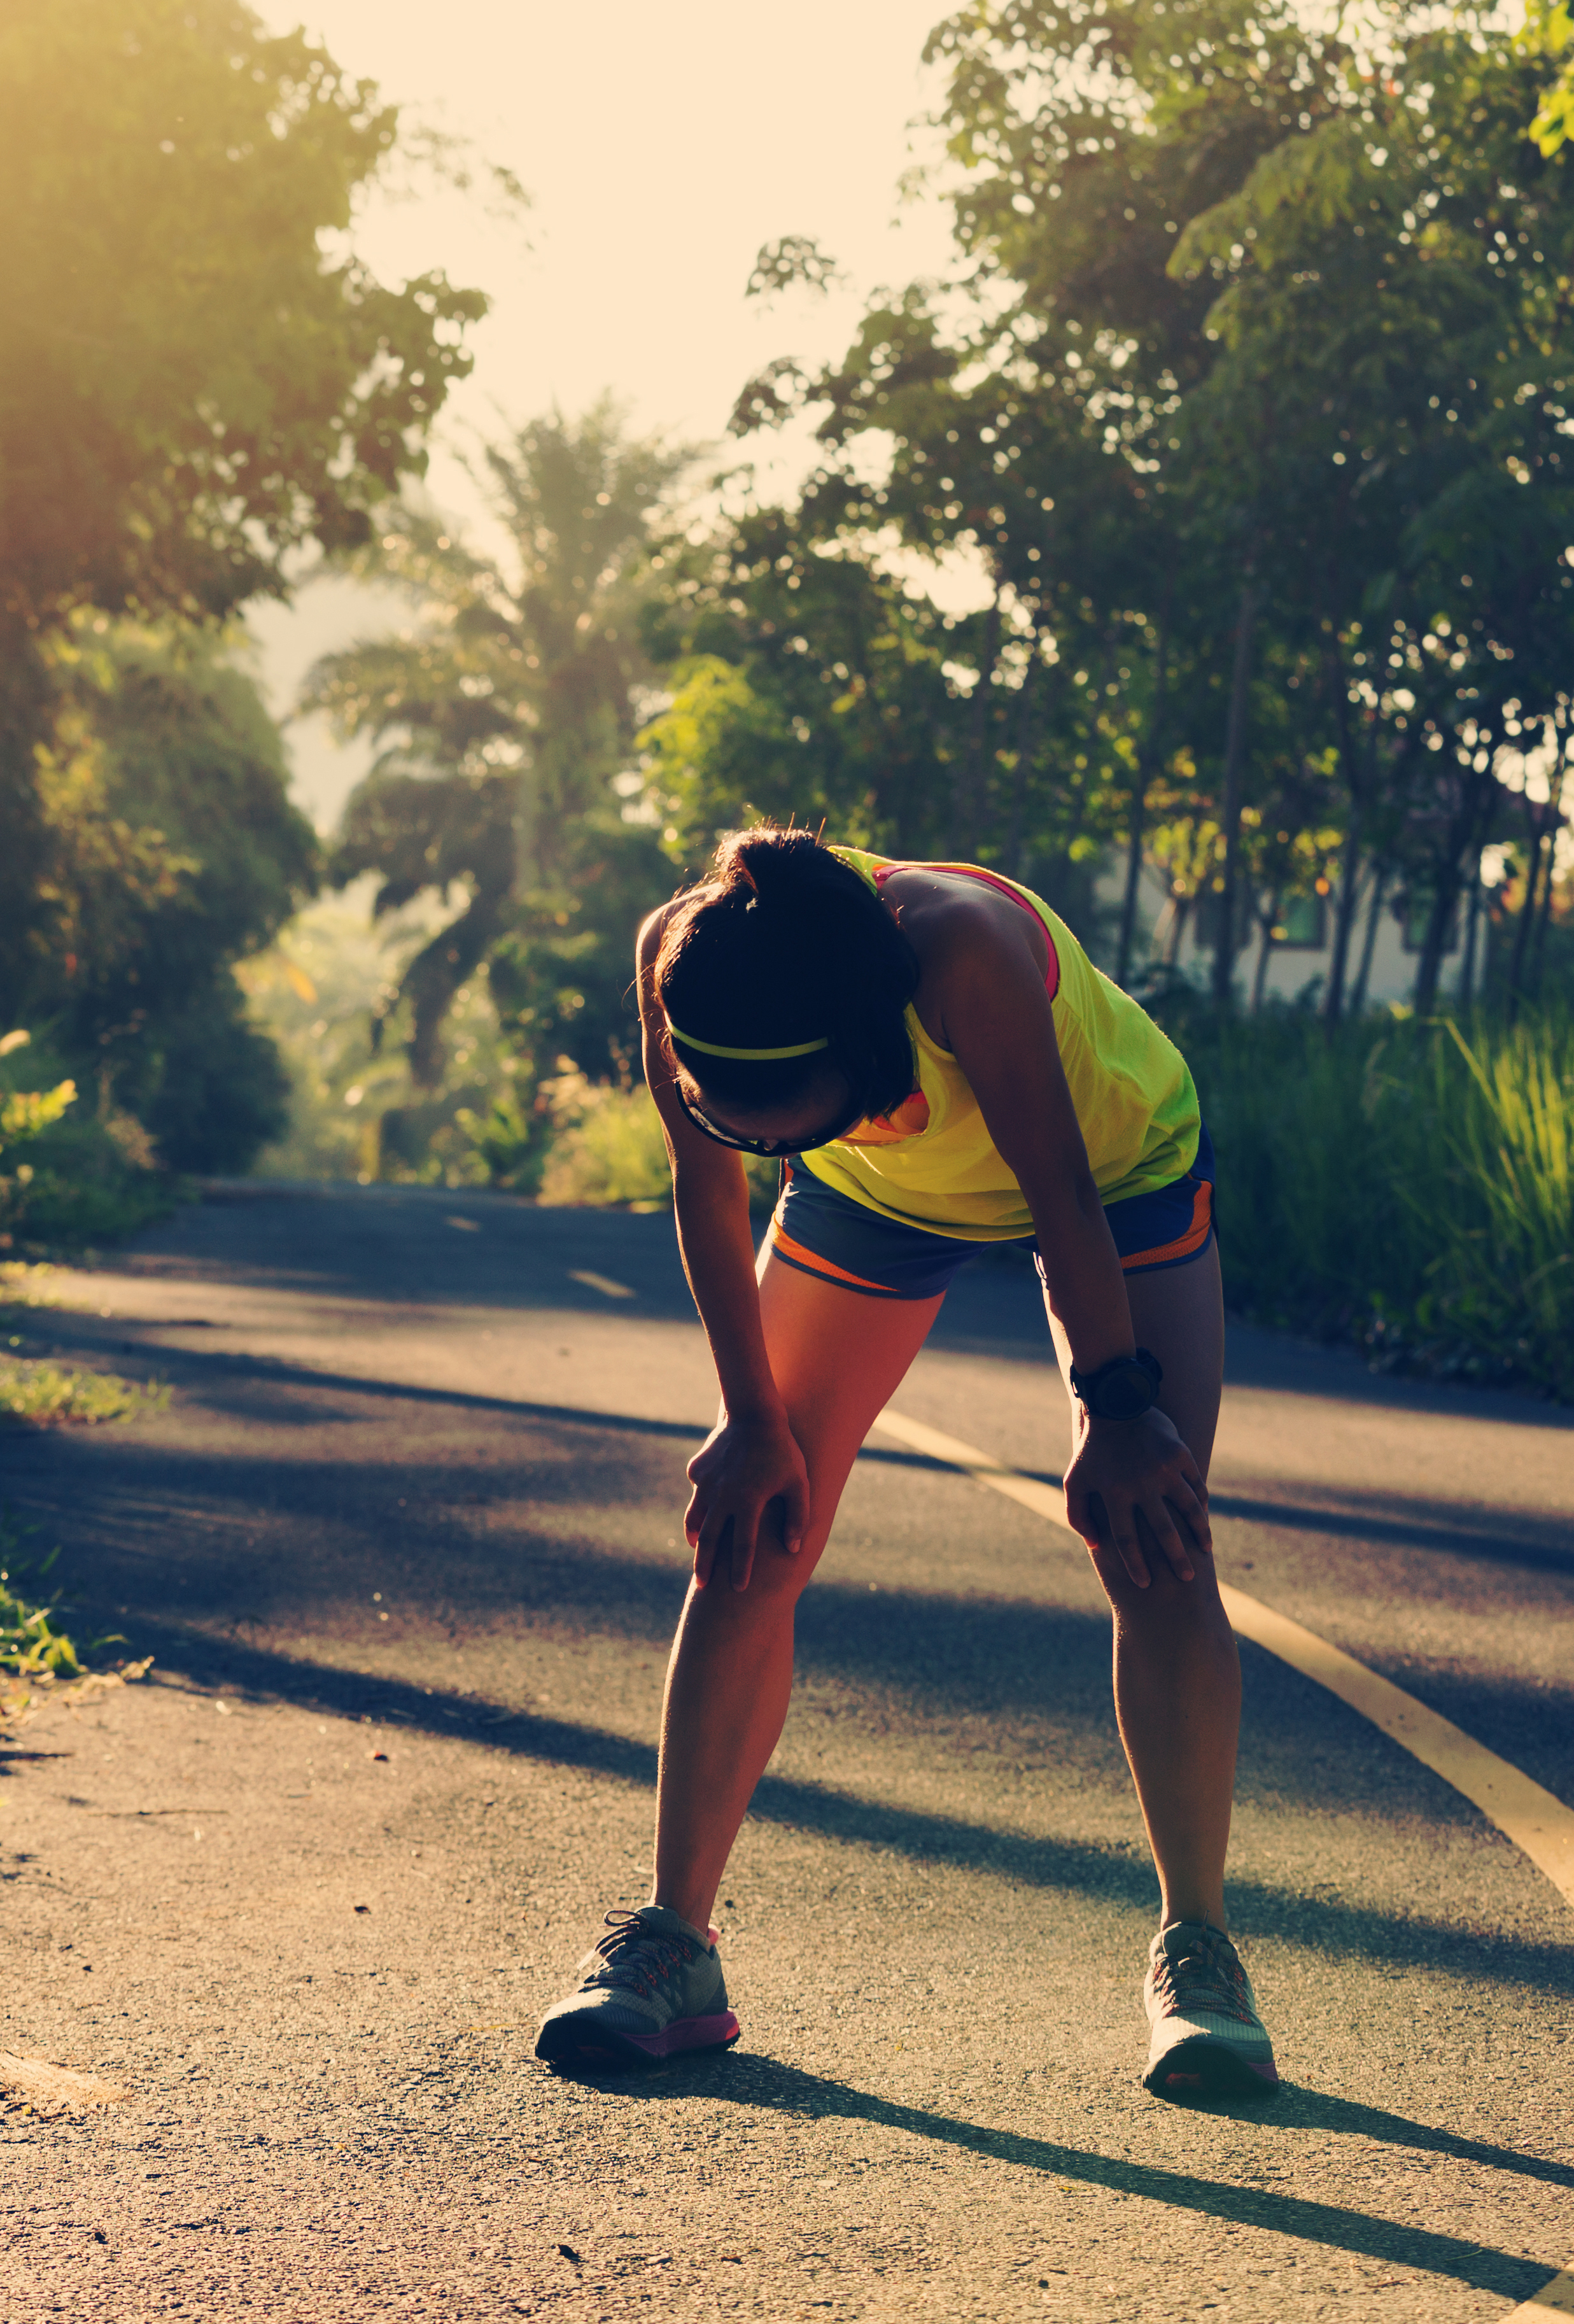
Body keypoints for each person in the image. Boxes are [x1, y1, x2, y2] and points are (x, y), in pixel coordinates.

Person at [532, 824, 1272, 2099]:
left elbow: (1061, 1196)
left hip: (1118, 1172)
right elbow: (709, 1199)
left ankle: (1198, 1952)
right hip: (876, 1192)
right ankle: (674, 1943)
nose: (750, 1148)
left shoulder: (965, 951)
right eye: (738, 1125)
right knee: (757, 1527)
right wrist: (750, 1419)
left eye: (779, 1129)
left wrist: (1116, 1405)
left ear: (864, 1052)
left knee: (1153, 1538)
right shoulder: (685, 957)